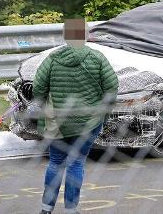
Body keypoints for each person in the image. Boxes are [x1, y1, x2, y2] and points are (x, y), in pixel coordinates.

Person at [31, 17, 119, 214]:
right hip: (88, 122)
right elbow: (112, 87)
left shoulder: (52, 59)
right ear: (86, 35)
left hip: (57, 122)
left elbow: (38, 88)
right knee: (76, 163)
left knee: (55, 162)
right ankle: (71, 209)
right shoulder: (97, 58)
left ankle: (46, 209)